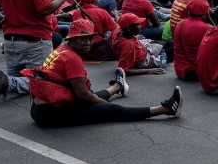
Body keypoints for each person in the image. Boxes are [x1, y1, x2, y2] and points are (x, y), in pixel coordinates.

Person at [24, 19, 183, 127]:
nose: (88, 44)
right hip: (51, 114)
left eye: (90, 39)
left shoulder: (62, 50)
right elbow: (83, 96)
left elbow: (81, 92)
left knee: (93, 95)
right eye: (83, 39)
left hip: (40, 109)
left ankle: (116, 87)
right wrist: (105, 105)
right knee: (111, 110)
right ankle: (167, 109)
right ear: (72, 39)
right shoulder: (72, 58)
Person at [172, 0, 211, 81]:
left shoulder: (180, 23)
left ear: (188, 11)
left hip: (179, 70)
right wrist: (210, 20)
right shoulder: (207, 28)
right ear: (206, 13)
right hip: (195, 71)